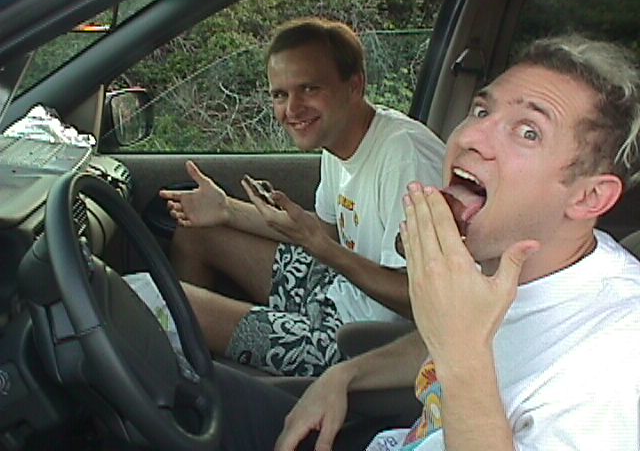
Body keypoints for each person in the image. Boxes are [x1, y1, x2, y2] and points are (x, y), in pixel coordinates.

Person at [211, 33, 640, 450]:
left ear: (588, 197)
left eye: (528, 132)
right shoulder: (505, 261)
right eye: (480, 111)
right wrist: (345, 376)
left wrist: (463, 356)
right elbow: (441, 337)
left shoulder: (615, 358)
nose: (469, 137)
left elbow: (461, 341)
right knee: (202, 394)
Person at [159, 17, 446, 376]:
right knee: (197, 233)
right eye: (280, 95)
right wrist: (227, 210)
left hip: (364, 341)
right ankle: (194, 371)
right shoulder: (339, 139)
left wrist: (321, 248)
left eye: (309, 89)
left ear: (354, 85)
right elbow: (325, 232)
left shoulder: (404, 158)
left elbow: (425, 302)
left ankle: (194, 388)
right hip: (338, 290)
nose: (292, 110)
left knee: (172, 305)